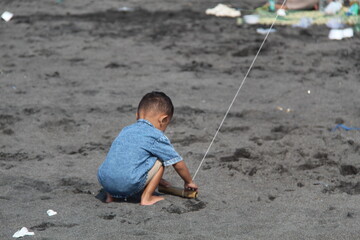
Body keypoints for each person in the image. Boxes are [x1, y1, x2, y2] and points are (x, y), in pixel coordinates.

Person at [97, 91, 198, 205]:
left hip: (105, 181)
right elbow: (177, 163)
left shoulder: (126, 130)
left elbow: (129, 160)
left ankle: (110, 197)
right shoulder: (156, 136)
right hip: (127, 183)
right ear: (163, 120)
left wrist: (157, 180)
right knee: (160, 160)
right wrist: (189, 182)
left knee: (118, 156)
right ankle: (146, 198)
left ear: (137, 115)